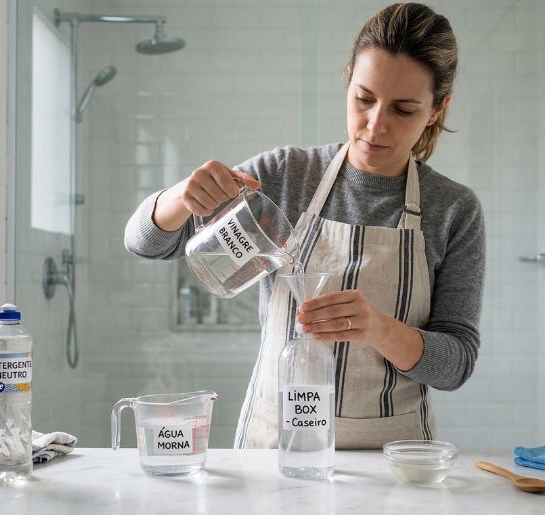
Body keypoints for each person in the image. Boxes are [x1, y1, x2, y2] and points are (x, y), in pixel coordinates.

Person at [124, 2, 485, 449]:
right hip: (274, 449)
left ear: (436, 109)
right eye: (364, 98)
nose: (376, 126)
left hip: (393, 458)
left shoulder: (453, 209)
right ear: (348, 78)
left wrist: (376, 327)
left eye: (403, 109)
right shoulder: (283, 176)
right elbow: (145, 242)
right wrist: (181, 195)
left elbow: (457, 365)